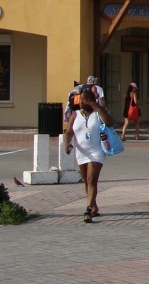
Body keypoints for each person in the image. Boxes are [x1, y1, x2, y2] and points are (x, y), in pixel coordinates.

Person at [63, 86, 113, 223]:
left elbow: (109, 122)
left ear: (91, 101)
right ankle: (94, 206)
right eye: (80, 99)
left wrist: (96, 107)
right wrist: (66, 143)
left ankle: (88, 209)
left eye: (84, 100)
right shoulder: (75, 114)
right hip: (81, 152)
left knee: (91, 179)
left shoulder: (98, 113)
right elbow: (68, 132)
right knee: (86, 180)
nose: (80, 102)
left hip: (96, 151)